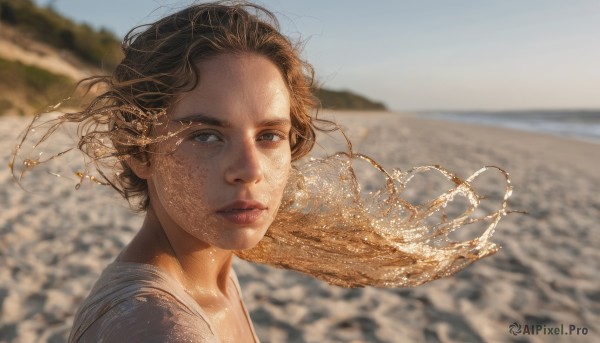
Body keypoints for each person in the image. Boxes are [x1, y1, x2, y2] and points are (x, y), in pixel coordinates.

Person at [10, 1, 513, 342]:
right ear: (139, 152)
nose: (249, 169)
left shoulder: (209, 270)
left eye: (269, 136)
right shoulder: (157, 326)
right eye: (206, 135)